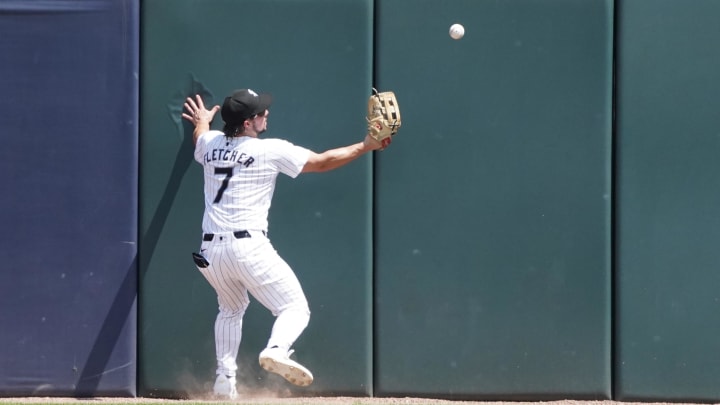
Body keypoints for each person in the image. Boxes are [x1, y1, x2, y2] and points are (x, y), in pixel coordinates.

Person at [181, 88, 385, 399]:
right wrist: (365, 145)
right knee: (294, 308)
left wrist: (201, 120)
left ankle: (224, 381)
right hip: (247, 247)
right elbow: (322, 162)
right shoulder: (270, 150)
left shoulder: (209, 144)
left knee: (231, 308)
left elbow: (200, 137)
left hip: (210, 252)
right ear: (248, 123)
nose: (266, 114)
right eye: (260, 112)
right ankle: (277, 349)